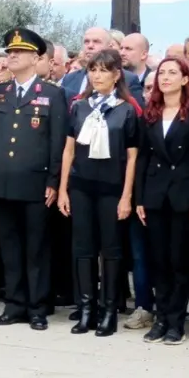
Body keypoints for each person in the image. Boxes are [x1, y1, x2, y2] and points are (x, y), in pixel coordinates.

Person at [0, 29, 67, 331]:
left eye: (20, 51)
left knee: (36, 248)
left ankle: (37, 307)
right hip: (4, 182)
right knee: (9, 247)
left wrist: (54, 181)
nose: (13, 56)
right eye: (10, 51)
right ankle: (14, 304)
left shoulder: (51, 94)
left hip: (35, 184)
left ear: (37, 58)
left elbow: (57, 142)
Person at [57, 49, 140, 338]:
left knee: (111, 250)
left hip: (111, 188)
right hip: (81, 185)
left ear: (117, 75)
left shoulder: (126, 109)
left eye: (104, 70)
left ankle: (109, 311)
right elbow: (68, 150)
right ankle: (86, 308)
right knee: (82, 249)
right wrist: (63, 189)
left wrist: (127, 195)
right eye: (93, 70)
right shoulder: (79, 106)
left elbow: (132, 157)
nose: (97, 75)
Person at [134, 58, 189, 345]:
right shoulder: (150, 113)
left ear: (185, 79)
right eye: (161, 73)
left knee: (178, 260)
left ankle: (176, 322)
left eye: (172, 73)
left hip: (183, 195)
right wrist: (140, 197)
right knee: (158, 260)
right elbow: (142, 157)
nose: (165, 78)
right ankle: (161, 318)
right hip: (154, 194)